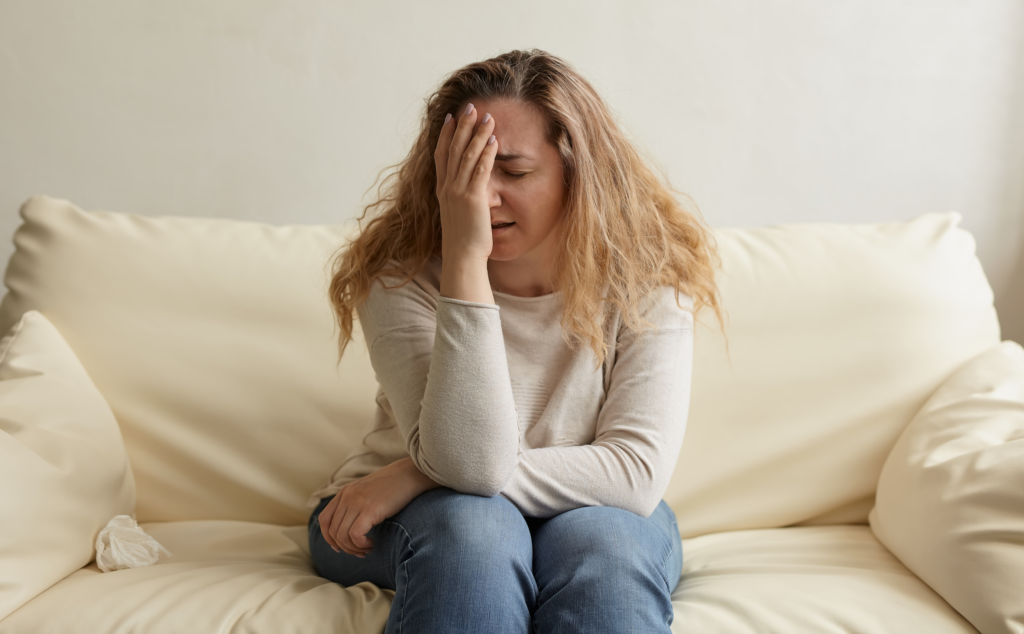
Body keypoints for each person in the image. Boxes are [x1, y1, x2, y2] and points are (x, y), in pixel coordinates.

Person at [306, 48, 725, 634]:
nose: (483, 197)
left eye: (514, 171)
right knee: (476, 529)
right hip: (407, 520)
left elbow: (632, 471)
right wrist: (465, 260)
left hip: (571, 511)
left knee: (604, 542)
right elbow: (471, 471)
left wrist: (417, 470)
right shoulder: (399, 281)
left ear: (577, 171)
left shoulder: (648, 282)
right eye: (465, 172)